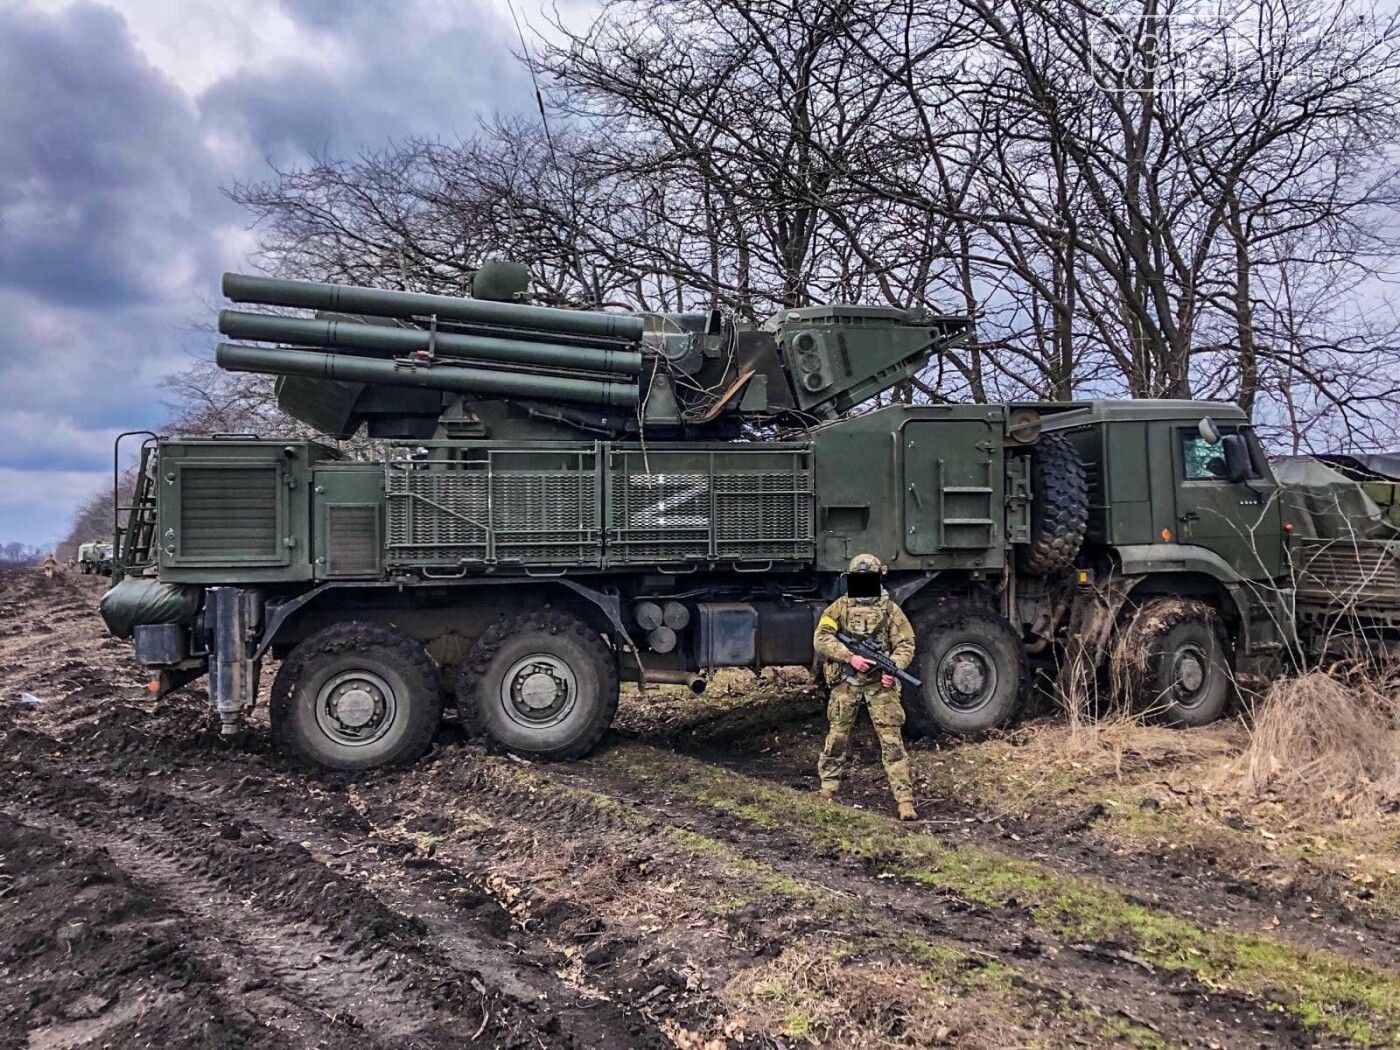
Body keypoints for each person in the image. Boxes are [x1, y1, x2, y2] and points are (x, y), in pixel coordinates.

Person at [812, 553, 919, 821]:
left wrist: (892, 668)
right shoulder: (839, 607)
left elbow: (906, 643)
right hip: (847, 682)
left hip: (878, 685)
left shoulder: (890, 610)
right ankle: (828, 788)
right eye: (858, 580)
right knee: (837, 736)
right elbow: (821, 638)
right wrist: (850, 657)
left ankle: (904, 799)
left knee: (892, 741)